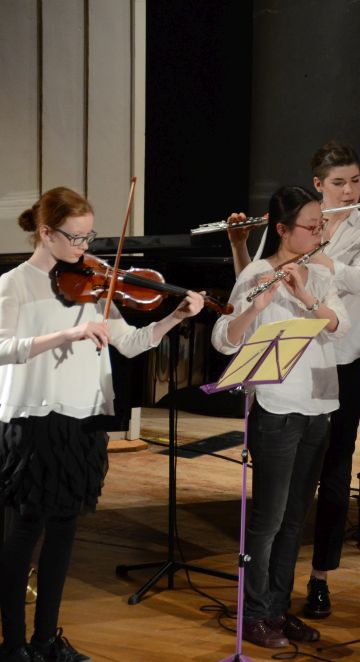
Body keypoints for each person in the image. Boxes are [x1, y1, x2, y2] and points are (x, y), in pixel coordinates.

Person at [0, 187, 205, 662]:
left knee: (65, 530)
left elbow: (130, 342)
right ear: (46, 233)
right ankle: (13, 646)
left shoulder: (95, 282)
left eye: (89, 237)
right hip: (36, 418)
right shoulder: (15, 284)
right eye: (75, 238)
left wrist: (174, 316)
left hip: (83, 418)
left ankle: (46, 640)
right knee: (24, 532)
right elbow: (3, 348)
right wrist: (68, 332)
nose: (85, 248)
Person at [228, 140, 360, 620]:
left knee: (318, 492)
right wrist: (245, 258)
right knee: (271, 516)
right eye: (339, 182)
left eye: (355, 181)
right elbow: (240, 310)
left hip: (331, 379)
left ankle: (303, 591)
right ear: (319, 185)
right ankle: (258, 610)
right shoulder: (277, 246)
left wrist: (313, 274)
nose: (350, 190)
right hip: (280, 392)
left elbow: (346, 301)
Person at [212, 186, 349, 649]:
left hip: (318, 405)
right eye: (311, 227)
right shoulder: (255, 274)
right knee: (267, 521)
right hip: (276, 408)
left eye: (321, 226)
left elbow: (340, 325)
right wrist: (256, 306)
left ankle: (277, 608)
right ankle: (253, 614)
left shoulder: (320, 274)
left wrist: (305, 294)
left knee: (295, 521)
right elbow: (223, 339)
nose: (319, 234)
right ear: (283, 230)